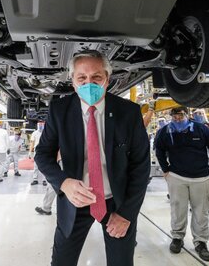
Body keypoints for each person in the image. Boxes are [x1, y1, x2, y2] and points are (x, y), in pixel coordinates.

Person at [34, 50, 150, 266]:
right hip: (74, 199)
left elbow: (141, 166)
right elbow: (42, 155)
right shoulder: (60, 110)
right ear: (73, 81)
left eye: (96, 77)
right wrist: (63, 183)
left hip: (116, 203)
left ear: (107, 78)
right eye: (82, 78)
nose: (89, 83)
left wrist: (126, 214)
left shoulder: (129, 112)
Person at [154, 106, 209, 262]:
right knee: (178, 209)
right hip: (177, 177)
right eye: (174, 117)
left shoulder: (201, 129)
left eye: (180, 116)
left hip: (202, 178)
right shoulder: (165, 132)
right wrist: (165, 170)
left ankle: (201, 242)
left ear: (187, 115)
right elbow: (159, 150)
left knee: (201, 211)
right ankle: (177, 238)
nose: (177, 120)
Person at [35, 152, 62, 216]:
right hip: (60, 159)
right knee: (53, 185)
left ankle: (46, 208)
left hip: (63, 159)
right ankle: (47, 208)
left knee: (53, 185)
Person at [30, 121, 46, 186]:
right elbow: (32, 142)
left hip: (45, 151)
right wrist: (30, 152)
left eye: (42, 124)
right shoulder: (34, 133)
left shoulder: (46, 133)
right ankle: (35, 179)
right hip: (37, 151)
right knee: (36, 166)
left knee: (45, 166)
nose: (41, 125)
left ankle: (45, 180)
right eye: (39, 124)